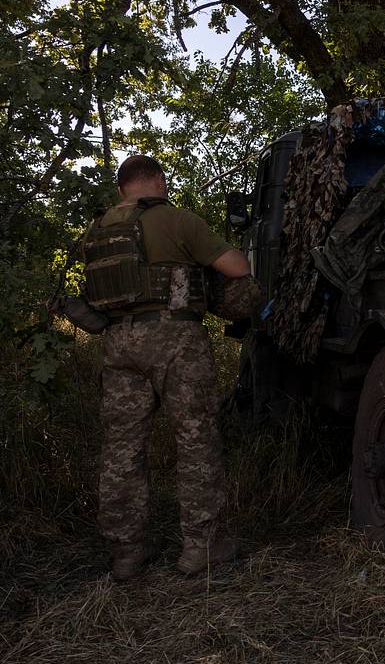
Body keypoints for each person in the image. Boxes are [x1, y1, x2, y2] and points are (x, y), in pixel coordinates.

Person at [80, 154, 255, 581]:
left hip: (119, 342)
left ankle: (127, 553)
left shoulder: (96, 230)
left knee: (122, 448)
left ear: (121, 188)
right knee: (195, 439)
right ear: (158, 180)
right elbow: (238, 268)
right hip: (175, 339)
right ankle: (201, 548)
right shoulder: (177, 220)